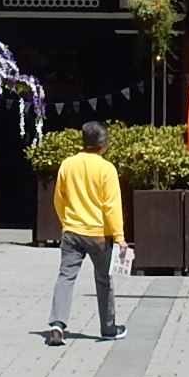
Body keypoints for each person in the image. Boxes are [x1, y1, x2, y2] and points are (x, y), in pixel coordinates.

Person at [46, 120, 128, 346]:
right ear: (103, 145)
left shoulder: (68, 164)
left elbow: (58, 198)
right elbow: (112, 205)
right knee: (104, 280)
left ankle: (57, 323)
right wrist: (119, 236)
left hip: (72, 231)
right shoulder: (106, 169)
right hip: (98, 234)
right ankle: (108, 328)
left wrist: (66, 221)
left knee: (66, 277)